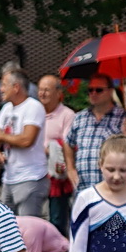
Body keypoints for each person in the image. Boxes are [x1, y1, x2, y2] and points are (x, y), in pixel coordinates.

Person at [0, 68, 49, 218]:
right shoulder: (7, 108)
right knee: (5, 227)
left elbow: (27, 140)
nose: (1, 89)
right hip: (8, 178)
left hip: (30, 178)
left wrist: (1, 136)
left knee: (27, 230)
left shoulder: (33, 107)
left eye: (4, 85)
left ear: (16, 87)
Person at [38, 74, 76, 232]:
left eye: (47, 90)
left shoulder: (68, 115)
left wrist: (47, 149)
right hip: (35, 173)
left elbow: (69, 144)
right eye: (40, 89)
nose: (42, 93)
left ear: (58, 93)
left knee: (56, 218)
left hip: (57, 176)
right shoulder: (34, 112)